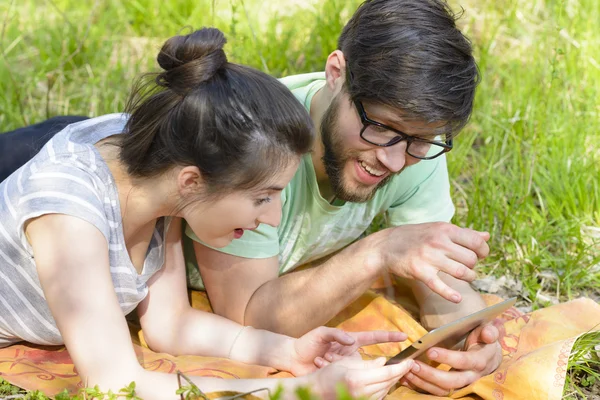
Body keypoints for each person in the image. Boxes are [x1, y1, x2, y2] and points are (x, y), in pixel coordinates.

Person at [0, 28, 415, 399]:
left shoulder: (168, 168)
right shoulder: (69, 213)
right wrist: (300, 391)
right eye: (263, 197)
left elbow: (170, 324)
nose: (272, 218)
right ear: (192, 182)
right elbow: (114, 386)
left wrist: (288, 351)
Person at [182, 0, 503, 397]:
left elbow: (439, 283)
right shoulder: (254, 139)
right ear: (337, 73)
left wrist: (474, 338)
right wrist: (378, 252)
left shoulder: (413, 143)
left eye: (420, 140)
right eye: (382, 128)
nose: (395, 160)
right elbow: (248, 317)